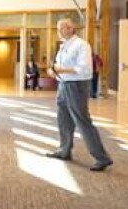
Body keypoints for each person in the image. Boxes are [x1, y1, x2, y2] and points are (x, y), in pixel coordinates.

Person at [46, 18, 113, 172]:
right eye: (58, 28)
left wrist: (60, 69)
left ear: (71, 28)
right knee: (63, 120)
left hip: (76, 86)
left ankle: (102, 158)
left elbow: (84, 69)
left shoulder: (81, 45)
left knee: (82, 121)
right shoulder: (63, 46)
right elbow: (57, 66)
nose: (59, 31)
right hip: (63, 85)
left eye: (61, 28)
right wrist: (53, 72)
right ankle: (64, 150)